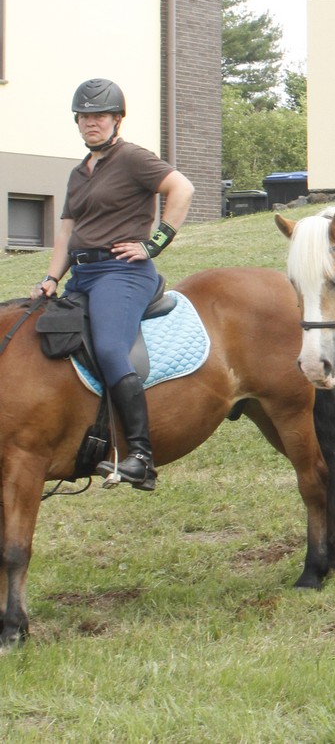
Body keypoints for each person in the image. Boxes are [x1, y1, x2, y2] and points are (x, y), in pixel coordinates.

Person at [30, 79, 194, 490]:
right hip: (82, 276)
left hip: (123, 274)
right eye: (84, 117)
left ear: (117, 119)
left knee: (108, 348)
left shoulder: (133, 158)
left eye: (100, 116)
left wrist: (155, 242)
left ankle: (140, 455)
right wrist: (51, 278)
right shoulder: (78, 173)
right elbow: (67, 232)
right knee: (53, 341)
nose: (91, 123)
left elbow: (182, 187)